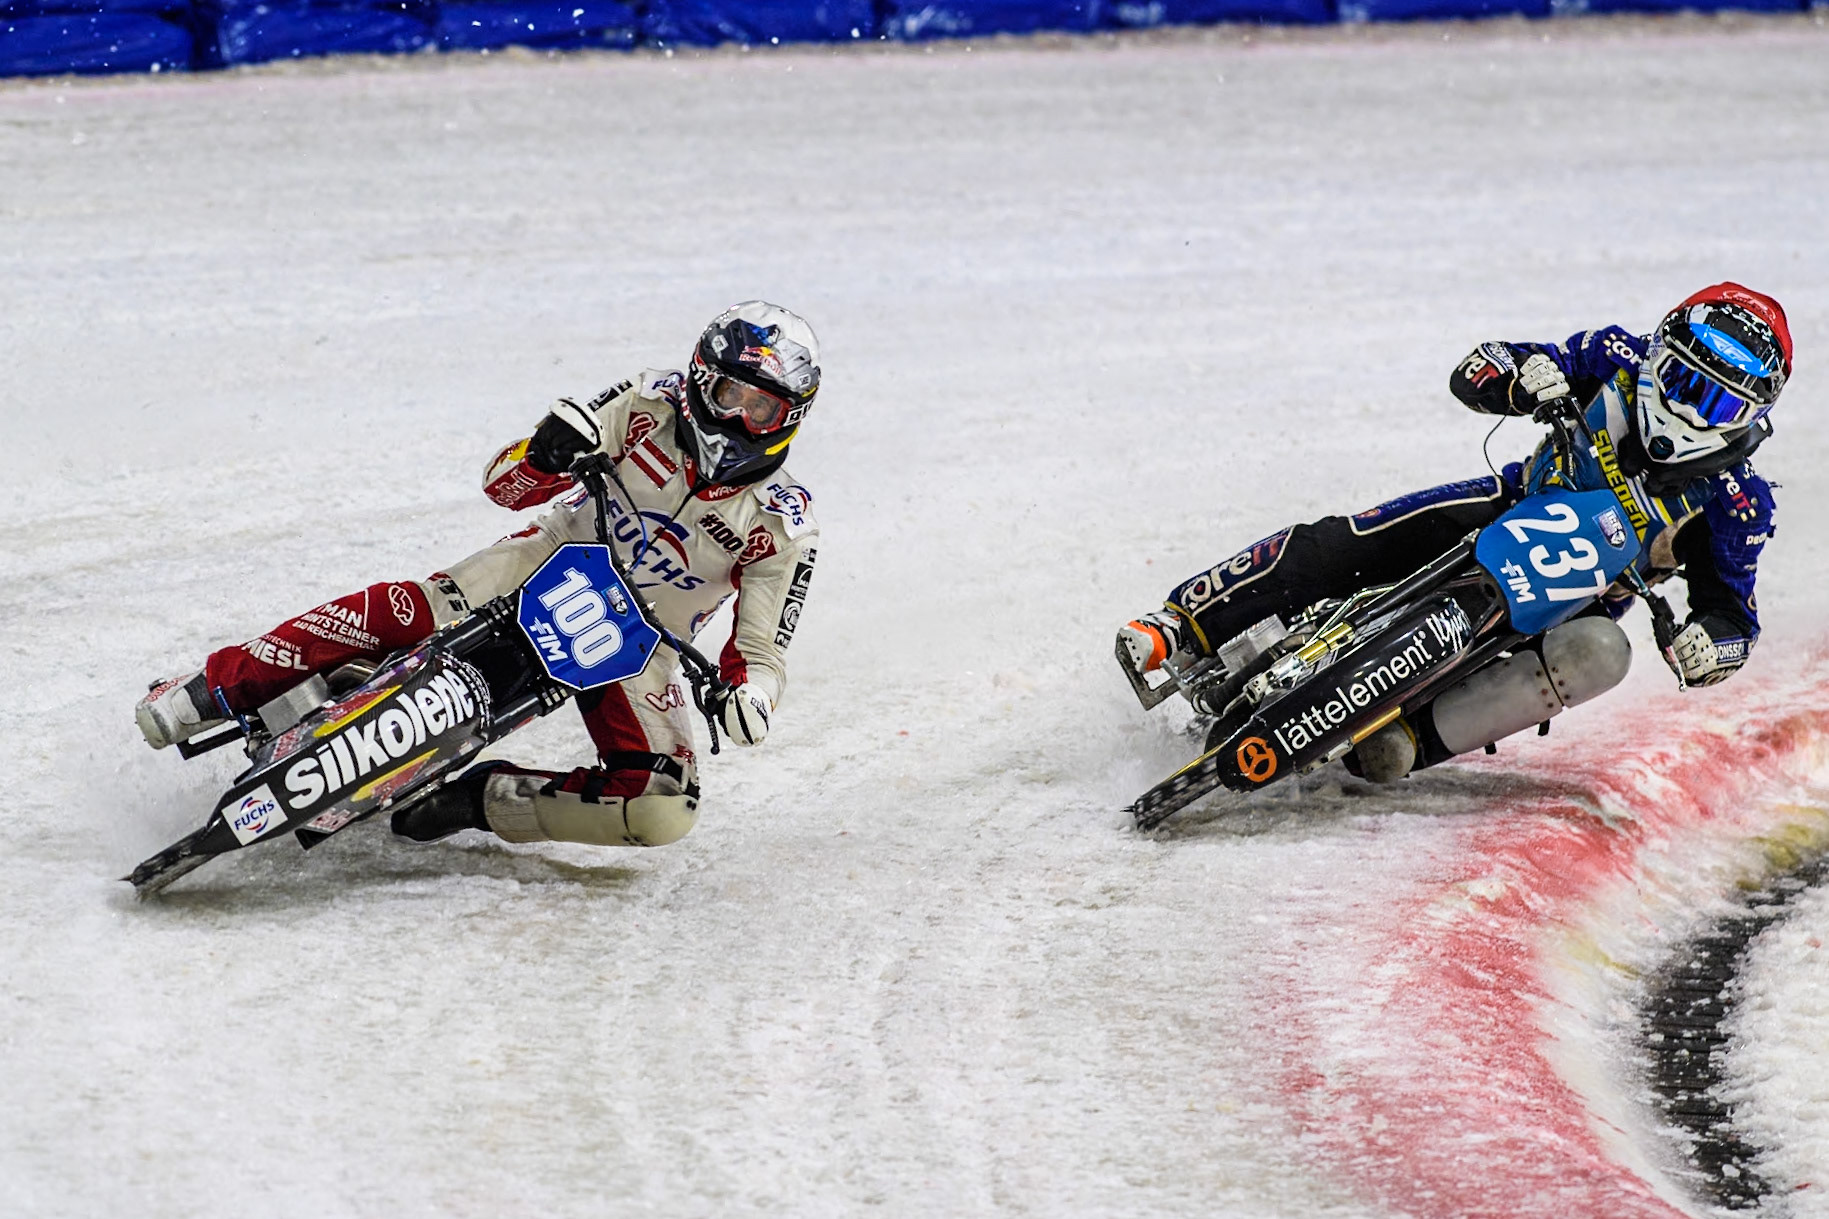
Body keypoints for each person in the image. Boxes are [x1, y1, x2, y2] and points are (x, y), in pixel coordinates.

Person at [136, 301, 823, 849]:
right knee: (413, 609)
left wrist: (749, 699)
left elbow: (761, 655)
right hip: (551, 558)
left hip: (637, 645)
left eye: (759, 406)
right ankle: (211, 687)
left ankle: (482, 799)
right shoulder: (645, 403)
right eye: (729, 391)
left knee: (664, 807)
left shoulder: (783, 523)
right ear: (702, 377)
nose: (737, 415)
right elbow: (504, 483)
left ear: (787, 419)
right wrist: (547, 453)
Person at [1117, 283, 1789, 781]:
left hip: (1582, 599)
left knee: (1600, 655)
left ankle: (1412, 738)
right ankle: (1181, 622)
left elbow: (1732, 613)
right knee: (1351, 538)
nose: (1681, 409)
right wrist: (1519, 379)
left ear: (1750, 415)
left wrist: (1707, 646)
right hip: (1510, 502)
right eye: (1676, 380)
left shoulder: (1736, 502)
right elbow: (1480, 366)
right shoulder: (1611, 354)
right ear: (1654, 354)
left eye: (1715, 402)